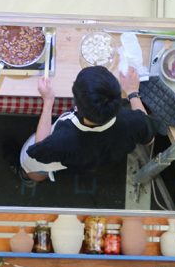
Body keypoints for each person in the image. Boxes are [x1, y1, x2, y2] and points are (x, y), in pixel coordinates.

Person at [18, 65, 155, 184]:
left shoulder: (63, 139)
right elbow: (149, 137)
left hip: (51, 160)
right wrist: (132, 93)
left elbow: (38, 149)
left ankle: (27, 176)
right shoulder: (131, 122)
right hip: (94, 160)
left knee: (34, 171)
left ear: (76, 105)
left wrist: (48, 102)